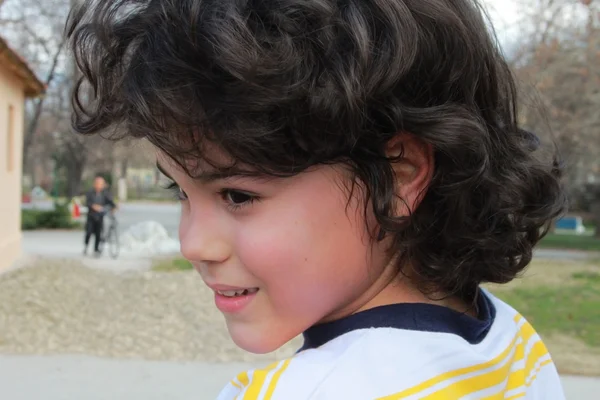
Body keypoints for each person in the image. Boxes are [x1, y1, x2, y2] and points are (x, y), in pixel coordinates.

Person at [67, 0, 567, 398]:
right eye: (181, 190)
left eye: (237, 195)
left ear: (396, 178)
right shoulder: (511, 345)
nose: (193, 244)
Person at [84, 175, 116, 256]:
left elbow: (110, 201)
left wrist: (114, 206)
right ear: (95, 184)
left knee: (98, 233)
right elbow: (87, 203)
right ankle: (86, 246)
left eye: (101, 183)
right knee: (89, 232)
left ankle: (96, 249)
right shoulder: (90, 192)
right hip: (91, 216)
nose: (99, 185)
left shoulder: (105, 193)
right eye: (98, 183)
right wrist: (93, 206)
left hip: (100, 216)